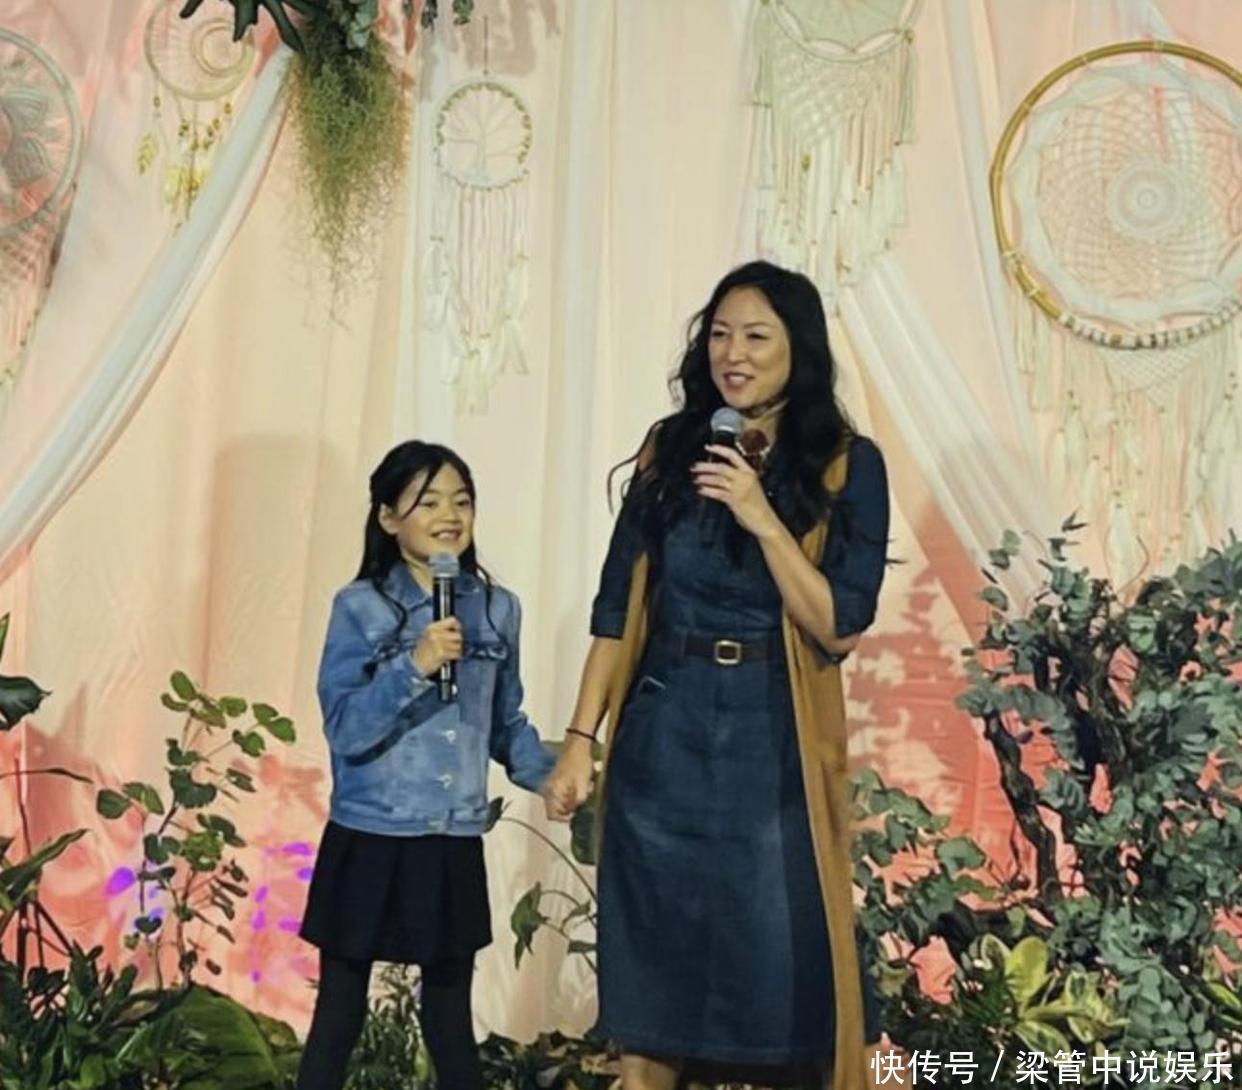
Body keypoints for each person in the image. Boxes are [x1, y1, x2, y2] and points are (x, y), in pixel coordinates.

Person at [547, 261, 890, 1090]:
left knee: (781, 977)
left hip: (773, 742)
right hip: (665, 729)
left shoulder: (846, 465)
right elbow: (615, 610)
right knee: (652, 988)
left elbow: (839, 625)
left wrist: (761, 516)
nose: (733, 354)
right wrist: (580, 741)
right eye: (721, 335)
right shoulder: (671, 451)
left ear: (798, 349)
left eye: (756, 336)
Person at [296, 440, 556, 1090]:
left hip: (451, 836)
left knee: (449, 1019)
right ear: (388, 517)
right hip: (371, 834)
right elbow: (345, 727)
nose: (449, 516)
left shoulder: (497, 609)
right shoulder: (360, 606)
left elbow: (506, 725)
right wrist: (414, 665)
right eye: (429, 501)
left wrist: (554, 777)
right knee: (339, 1013)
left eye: (461, 501)